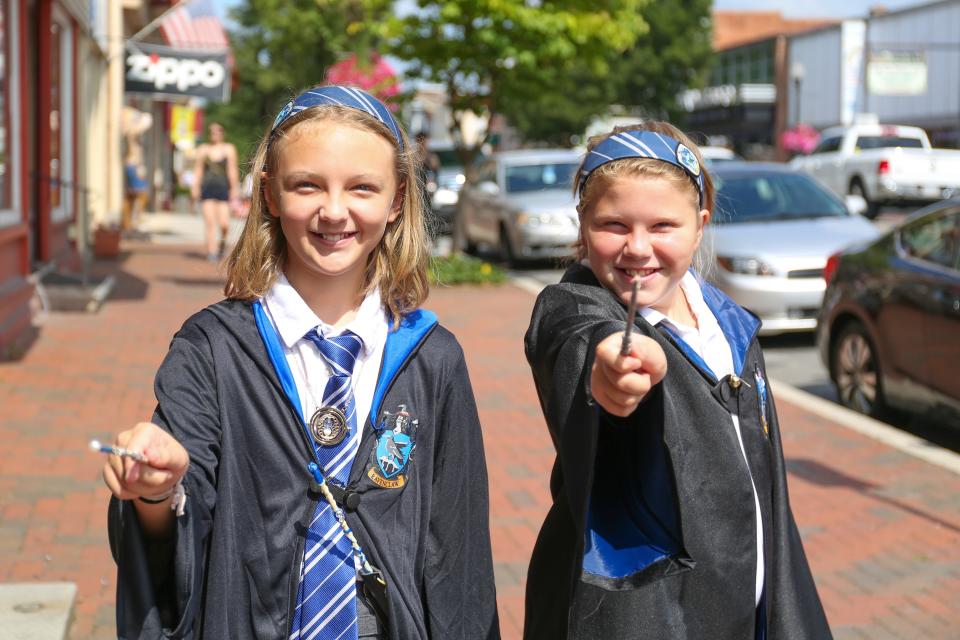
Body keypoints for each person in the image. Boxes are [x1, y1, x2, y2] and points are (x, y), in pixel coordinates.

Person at [102, 85, 500, 639]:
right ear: (269, 193)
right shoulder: (212, 349)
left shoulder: (432, 357)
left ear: (396, 200)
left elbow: (458, 551)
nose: (333, 211)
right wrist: (155, 488)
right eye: (306, 185)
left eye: (362, 188)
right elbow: (170, 540)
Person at [523, 123, 831, 639]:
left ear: (699, 224)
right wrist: (611, 371)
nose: (638, 248)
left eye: (663, 225)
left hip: (746, 606)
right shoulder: (575, 307)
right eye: (614, 225)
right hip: (644, 618)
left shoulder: (730, 326)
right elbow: (572, 336)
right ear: (582, 224)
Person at [192, 121, 240, 261]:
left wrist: (234, 188)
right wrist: (195, 187)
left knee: (225, 224)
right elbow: (198, 170)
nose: (215, 134)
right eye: (212, 131)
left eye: (217, 131)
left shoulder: (229, 149)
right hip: (207, 189)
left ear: (222, 132)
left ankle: (222, 245)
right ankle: (211, 251)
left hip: (222, 189)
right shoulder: (203, 149)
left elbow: (232, 170)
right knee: (210, 222)